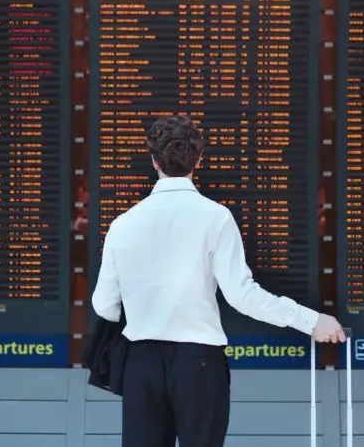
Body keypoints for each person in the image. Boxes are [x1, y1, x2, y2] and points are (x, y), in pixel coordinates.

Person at [92, 114, 346, 447]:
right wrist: (311, 321)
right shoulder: (216, 217)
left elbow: (104, 306)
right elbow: (242, 296)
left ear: (154, 161)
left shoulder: (123, 224)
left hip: (142, 365)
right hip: (198, 364)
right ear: (198, 159)